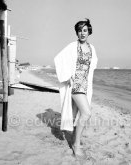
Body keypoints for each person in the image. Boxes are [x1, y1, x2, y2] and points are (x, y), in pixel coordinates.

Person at [54, 18, 98, 158]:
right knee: (86, 113)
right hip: (76, 85)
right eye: (79, 31)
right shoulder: (73, 46)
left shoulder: (92, 48)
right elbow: (59, 58)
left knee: (77, 115)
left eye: (85, 30)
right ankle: (76, 145)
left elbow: (93, 66)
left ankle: (74, 138)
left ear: (89, 31)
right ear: (77, 33)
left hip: (86, 86)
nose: (82, 33)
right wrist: (68, 76)